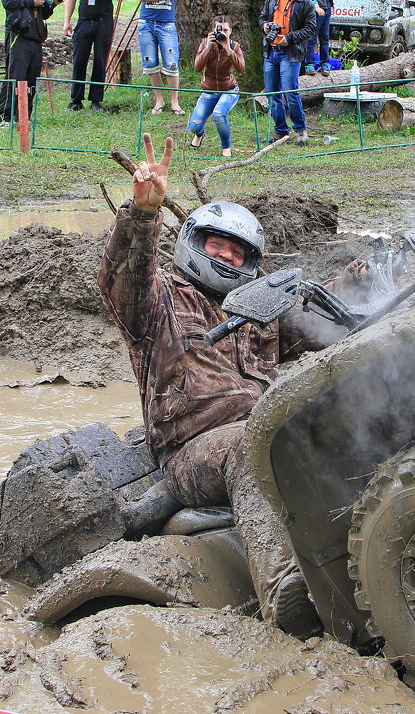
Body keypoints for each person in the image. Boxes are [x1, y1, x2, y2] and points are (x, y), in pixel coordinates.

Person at [98, 132, 342, 640]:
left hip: (271, 428)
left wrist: (376, 285)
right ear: (193, 245)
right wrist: (143, 216)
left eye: (238, 253)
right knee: (248, 446)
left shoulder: (259, 310)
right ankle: (283, 587)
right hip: (194, 453)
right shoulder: (159, 301)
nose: (228, 258)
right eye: (218, 247)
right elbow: (123, 278)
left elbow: (332, 328)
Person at [62, 0, 125, 112]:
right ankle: (76, 100)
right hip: (83, 21)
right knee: (79, 59)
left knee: (100, 59)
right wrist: (67, 21)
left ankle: (96, 100)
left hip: (103, 22)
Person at [0, 0, 60, 124]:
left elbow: (40, 14)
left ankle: (24, 117)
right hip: (18, 36)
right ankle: (6, 117)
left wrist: (51, 5)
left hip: (35, 39)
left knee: (31, 79)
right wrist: (31, 2)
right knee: (15, 77)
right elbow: (8, 2)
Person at [258, 0, 317, 144]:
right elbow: (261, 17)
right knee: (272, 93)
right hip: (271, 52)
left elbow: (311, 28)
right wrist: (265, 26)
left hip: (290, 53)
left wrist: (290, 38)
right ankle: (281, 130)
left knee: (291, 92)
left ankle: (300, 130)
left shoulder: (304, 2)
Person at [136, 0, 184, 115]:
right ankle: (159, 101)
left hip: (167, 24)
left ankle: (174, 102)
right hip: (146, 23)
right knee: (150, 63)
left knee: (171, 63)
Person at [189, 15, 245, 158]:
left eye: (225, 30)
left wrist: (228, 49)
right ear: (212, 31)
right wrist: (208, 47)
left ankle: (226, 146)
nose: (222, 33)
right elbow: (197, 67)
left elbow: (241, 68)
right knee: (194, 126)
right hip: (209, 89)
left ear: (230, 31)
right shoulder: (205, 44)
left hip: (229, 89)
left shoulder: (235, 46)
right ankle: (200, 135)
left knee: (218, 114)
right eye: (219, 30)